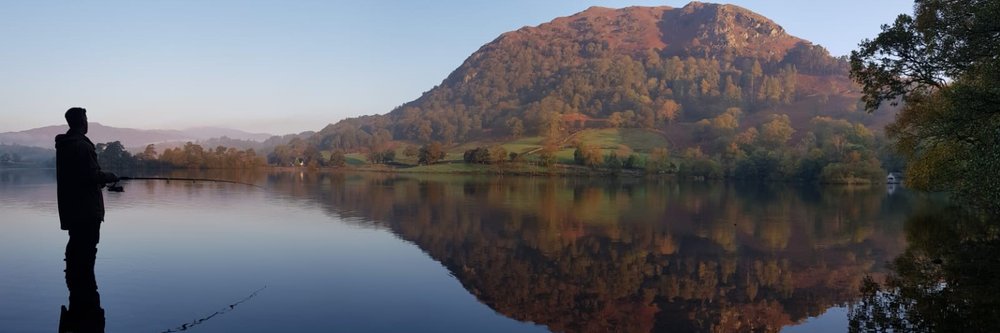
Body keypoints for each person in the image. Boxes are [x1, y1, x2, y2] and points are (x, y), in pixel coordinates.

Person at [55, 107, 116, 332]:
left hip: (73, 207)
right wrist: (108, 177)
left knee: (76, 247)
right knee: (87, 250)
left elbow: (80, 177)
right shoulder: (81, 146)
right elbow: (91, 176)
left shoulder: (66, 145)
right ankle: (82, 283)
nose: (88, 121)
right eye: (86, 118)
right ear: (81, 121)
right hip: (87, 208)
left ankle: (75, 278)